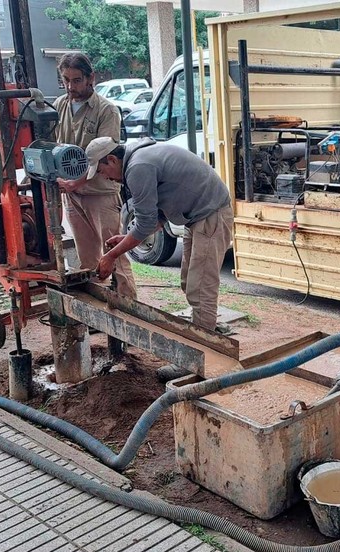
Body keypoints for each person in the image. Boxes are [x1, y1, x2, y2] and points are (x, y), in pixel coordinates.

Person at [84, 136, 233, 379]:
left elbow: (144, 224)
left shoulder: (138, 167)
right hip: (198, 215)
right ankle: (208, 330)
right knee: (189, 281)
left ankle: (199, 360)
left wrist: (111, 256)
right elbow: (155, 217)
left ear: (112, 159)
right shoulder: (137, 158)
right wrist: (126, 238)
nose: (106, 178)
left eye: (102, 171)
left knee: (200, 287)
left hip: (210, 215)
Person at [52, 52, 137, 299]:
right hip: (73, 195)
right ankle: (96, 313)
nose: (70, 86)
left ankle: (128, 310)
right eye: (66, 80)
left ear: (91, 78)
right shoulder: (59, 105)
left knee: (115, 255)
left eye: (76, 80)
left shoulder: (106, 111)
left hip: (100, 194)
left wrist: (75, 182)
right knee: (87, 259)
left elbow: (105, 156)